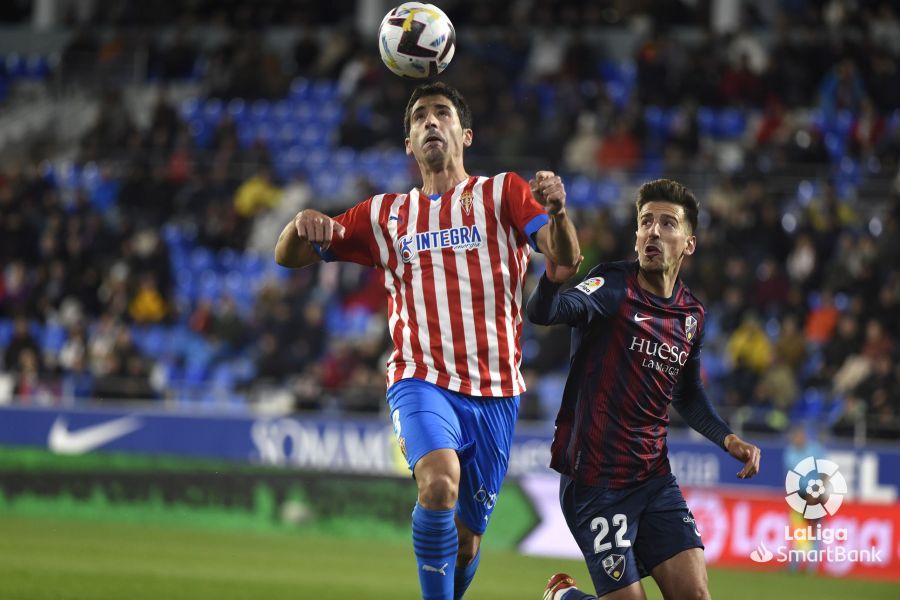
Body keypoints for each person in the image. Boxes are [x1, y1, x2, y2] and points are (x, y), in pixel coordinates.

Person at [274, 81, 579, 600]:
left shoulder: (502, 192)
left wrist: (556, 212)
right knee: (438, 484)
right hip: (420, 379)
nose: (431, 121)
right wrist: (302, 225)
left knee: (466, 541)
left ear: (466, 133)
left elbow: (565, 258)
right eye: (420, 117)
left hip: (496, 393)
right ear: (409, 144)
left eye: (442, 113)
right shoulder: (384, 214)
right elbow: (289, 256)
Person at [527, 179, 760, 600]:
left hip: (653, 479)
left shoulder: (691, 315)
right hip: (595, 482)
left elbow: (686, 394)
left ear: (689, 243)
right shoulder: (612, 286)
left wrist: (728, 438)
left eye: (667, 223)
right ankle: (562, 597)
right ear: (636, 234)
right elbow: (548, 312)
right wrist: (551, 278)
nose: (653, 231)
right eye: (646, 221)